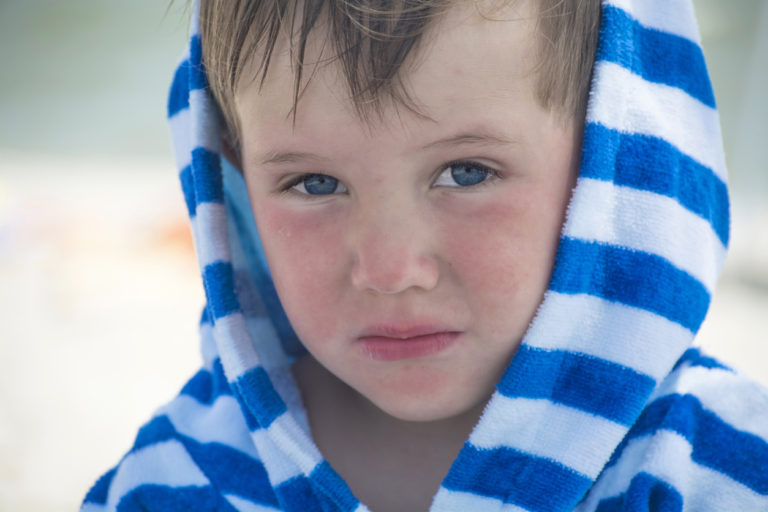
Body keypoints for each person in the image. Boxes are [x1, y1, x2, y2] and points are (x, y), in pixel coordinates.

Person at [82, 0, 768, 510]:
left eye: (466, 173)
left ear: (605, 156)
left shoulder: (718, 469)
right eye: (314, 183)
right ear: (233, 175)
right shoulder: (172, 480)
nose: (390, 271)